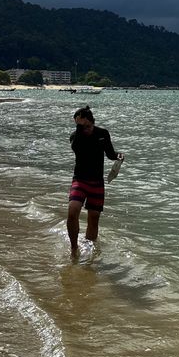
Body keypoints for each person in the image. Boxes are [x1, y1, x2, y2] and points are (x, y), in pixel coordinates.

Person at [67, 106, 123, 254]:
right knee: (72, 211)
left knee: (94, 218)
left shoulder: (103, 134)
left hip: (97, 182)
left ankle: (90, 252)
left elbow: (110, 154)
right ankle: (74, 248)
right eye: (78, 125)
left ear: (91, 121)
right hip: (80, 180)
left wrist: (119, 156)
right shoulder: (75, 136)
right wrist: (80, 131)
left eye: (85, 125)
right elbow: (76, 148)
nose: (82, 128)